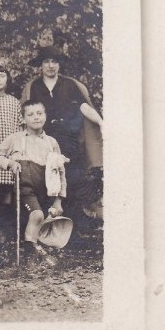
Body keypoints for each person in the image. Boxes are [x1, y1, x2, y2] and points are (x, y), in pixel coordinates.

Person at [21, 46, 104, 218]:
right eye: (47, 61)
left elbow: (83, 106)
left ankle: (72, 228)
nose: (51, 65)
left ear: (59, 65)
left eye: (54, 62)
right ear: (41, 65)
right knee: (44, 181)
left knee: (72, 180)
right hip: (42, 140)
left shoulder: (70, 85)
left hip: (69, 142)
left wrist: (101, 122)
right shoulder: (33, 86)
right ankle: (47, 226)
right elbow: (27, 113)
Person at [0, 99, 70, 267]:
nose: (36, 118)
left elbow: (61, 172)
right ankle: (30, 257)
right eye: (30, 114)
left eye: (39, 113)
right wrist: (10, 163)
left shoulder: (51, 142)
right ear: (23, 119)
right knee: (37, 215)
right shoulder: (15, 139)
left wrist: (59, 200)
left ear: (45, 116)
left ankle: (35, 252)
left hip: (48, 189)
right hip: (25, 188)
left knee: (46, 222)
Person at [0, 65, 23, 147]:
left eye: (2, 76)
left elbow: (20, 126)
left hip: (10, 147)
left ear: (7, 79)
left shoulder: (14, 101)